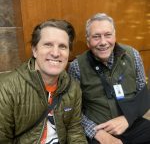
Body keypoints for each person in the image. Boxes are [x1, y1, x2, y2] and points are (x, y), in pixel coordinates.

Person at [0, 19, 88, 144]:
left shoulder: (73, 87)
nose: (56, 53)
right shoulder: (6, 88)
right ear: (34, 50)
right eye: (48, 44)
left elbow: (74, 130)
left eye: (62, 46)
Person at [68, 13, 150, 144]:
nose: (103, 42)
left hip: (133, 123)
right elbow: (72, 111)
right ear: (88, 41)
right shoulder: (76, 66)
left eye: (108, 35)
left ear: (115, 36)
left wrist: (127, 118)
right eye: (96, 37)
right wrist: (96, 133)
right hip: (100, 130)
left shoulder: (133, 55)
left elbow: (144, 94)